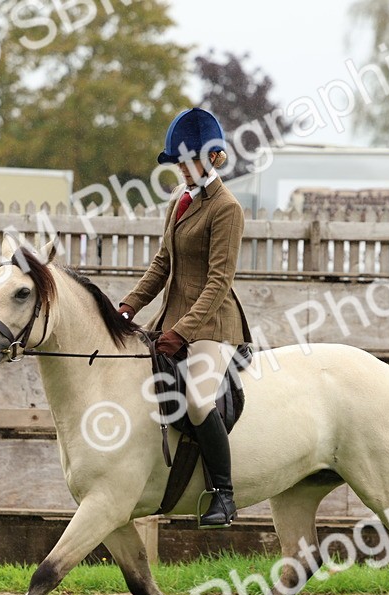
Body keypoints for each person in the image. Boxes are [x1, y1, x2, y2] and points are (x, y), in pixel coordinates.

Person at [118, 108, 252, 529]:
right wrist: (127, 306)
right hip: (171, 321)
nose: (179, 167)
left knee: (197, 399)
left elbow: (217, 282)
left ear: (212, 157)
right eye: (176, 160)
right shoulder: (180, 201)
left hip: (212, 326)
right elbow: (163, 264)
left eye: (186, 159)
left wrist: (182, 332)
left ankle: (224, 495)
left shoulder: (226, 209)